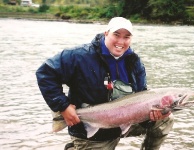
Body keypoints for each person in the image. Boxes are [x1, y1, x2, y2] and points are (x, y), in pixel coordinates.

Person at [36, 17, 174, 150]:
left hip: (126, 121)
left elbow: (141, 98)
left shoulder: (135, 63)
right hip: (93, 132)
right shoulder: (78, 56)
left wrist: (150, 117)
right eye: (116, 34)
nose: (121, 41)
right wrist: (63, 107)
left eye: (126, 37)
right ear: (106, 33)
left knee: (165, 120)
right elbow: (45, 73)